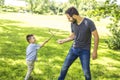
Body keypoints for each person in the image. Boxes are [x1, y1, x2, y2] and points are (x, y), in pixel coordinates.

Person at [57, 7, 99, 80]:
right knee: (64, 67)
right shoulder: (73, 23)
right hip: (73, 49)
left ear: (74, 15)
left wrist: (94, 51)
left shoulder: (88, 22)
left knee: (86, 72)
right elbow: (73, 36)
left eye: (68, 18)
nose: (68, 20)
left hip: (85, 51)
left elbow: (96, 37)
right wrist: (63, 40)